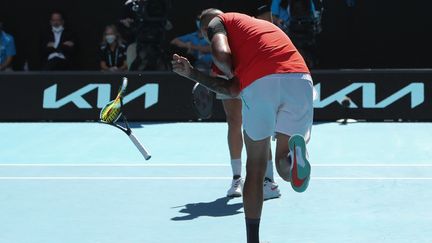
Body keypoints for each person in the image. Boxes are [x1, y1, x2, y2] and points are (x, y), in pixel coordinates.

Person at [172, 9, 313, 243]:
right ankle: (296, 157)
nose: (207, 34)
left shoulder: (219, 22)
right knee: (283, 166)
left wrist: (226, 70)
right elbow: (233, 89)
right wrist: (194, 74)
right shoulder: (259, 30)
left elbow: (222, 57)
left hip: (261, 82)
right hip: (300, 79)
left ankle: (252, 240)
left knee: (256, 169)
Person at [211, 5, 280, 200]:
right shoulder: (217, 38)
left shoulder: (246, 29)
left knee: (259, 126)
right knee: (234, 122)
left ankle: (269, 181)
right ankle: (237, 178)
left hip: (255, 75)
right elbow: (219, 68)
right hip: (232, 77)